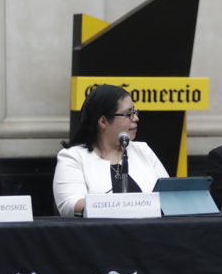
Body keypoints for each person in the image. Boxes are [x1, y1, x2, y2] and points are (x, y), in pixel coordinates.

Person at [53, 84, 168, 216]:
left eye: (135, 112)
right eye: (128, 114)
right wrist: (124, 206)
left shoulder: (143, 150)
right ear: (103, 121)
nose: (136, 118)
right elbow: (70, 205)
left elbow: (169, 197)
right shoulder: (73, 157)